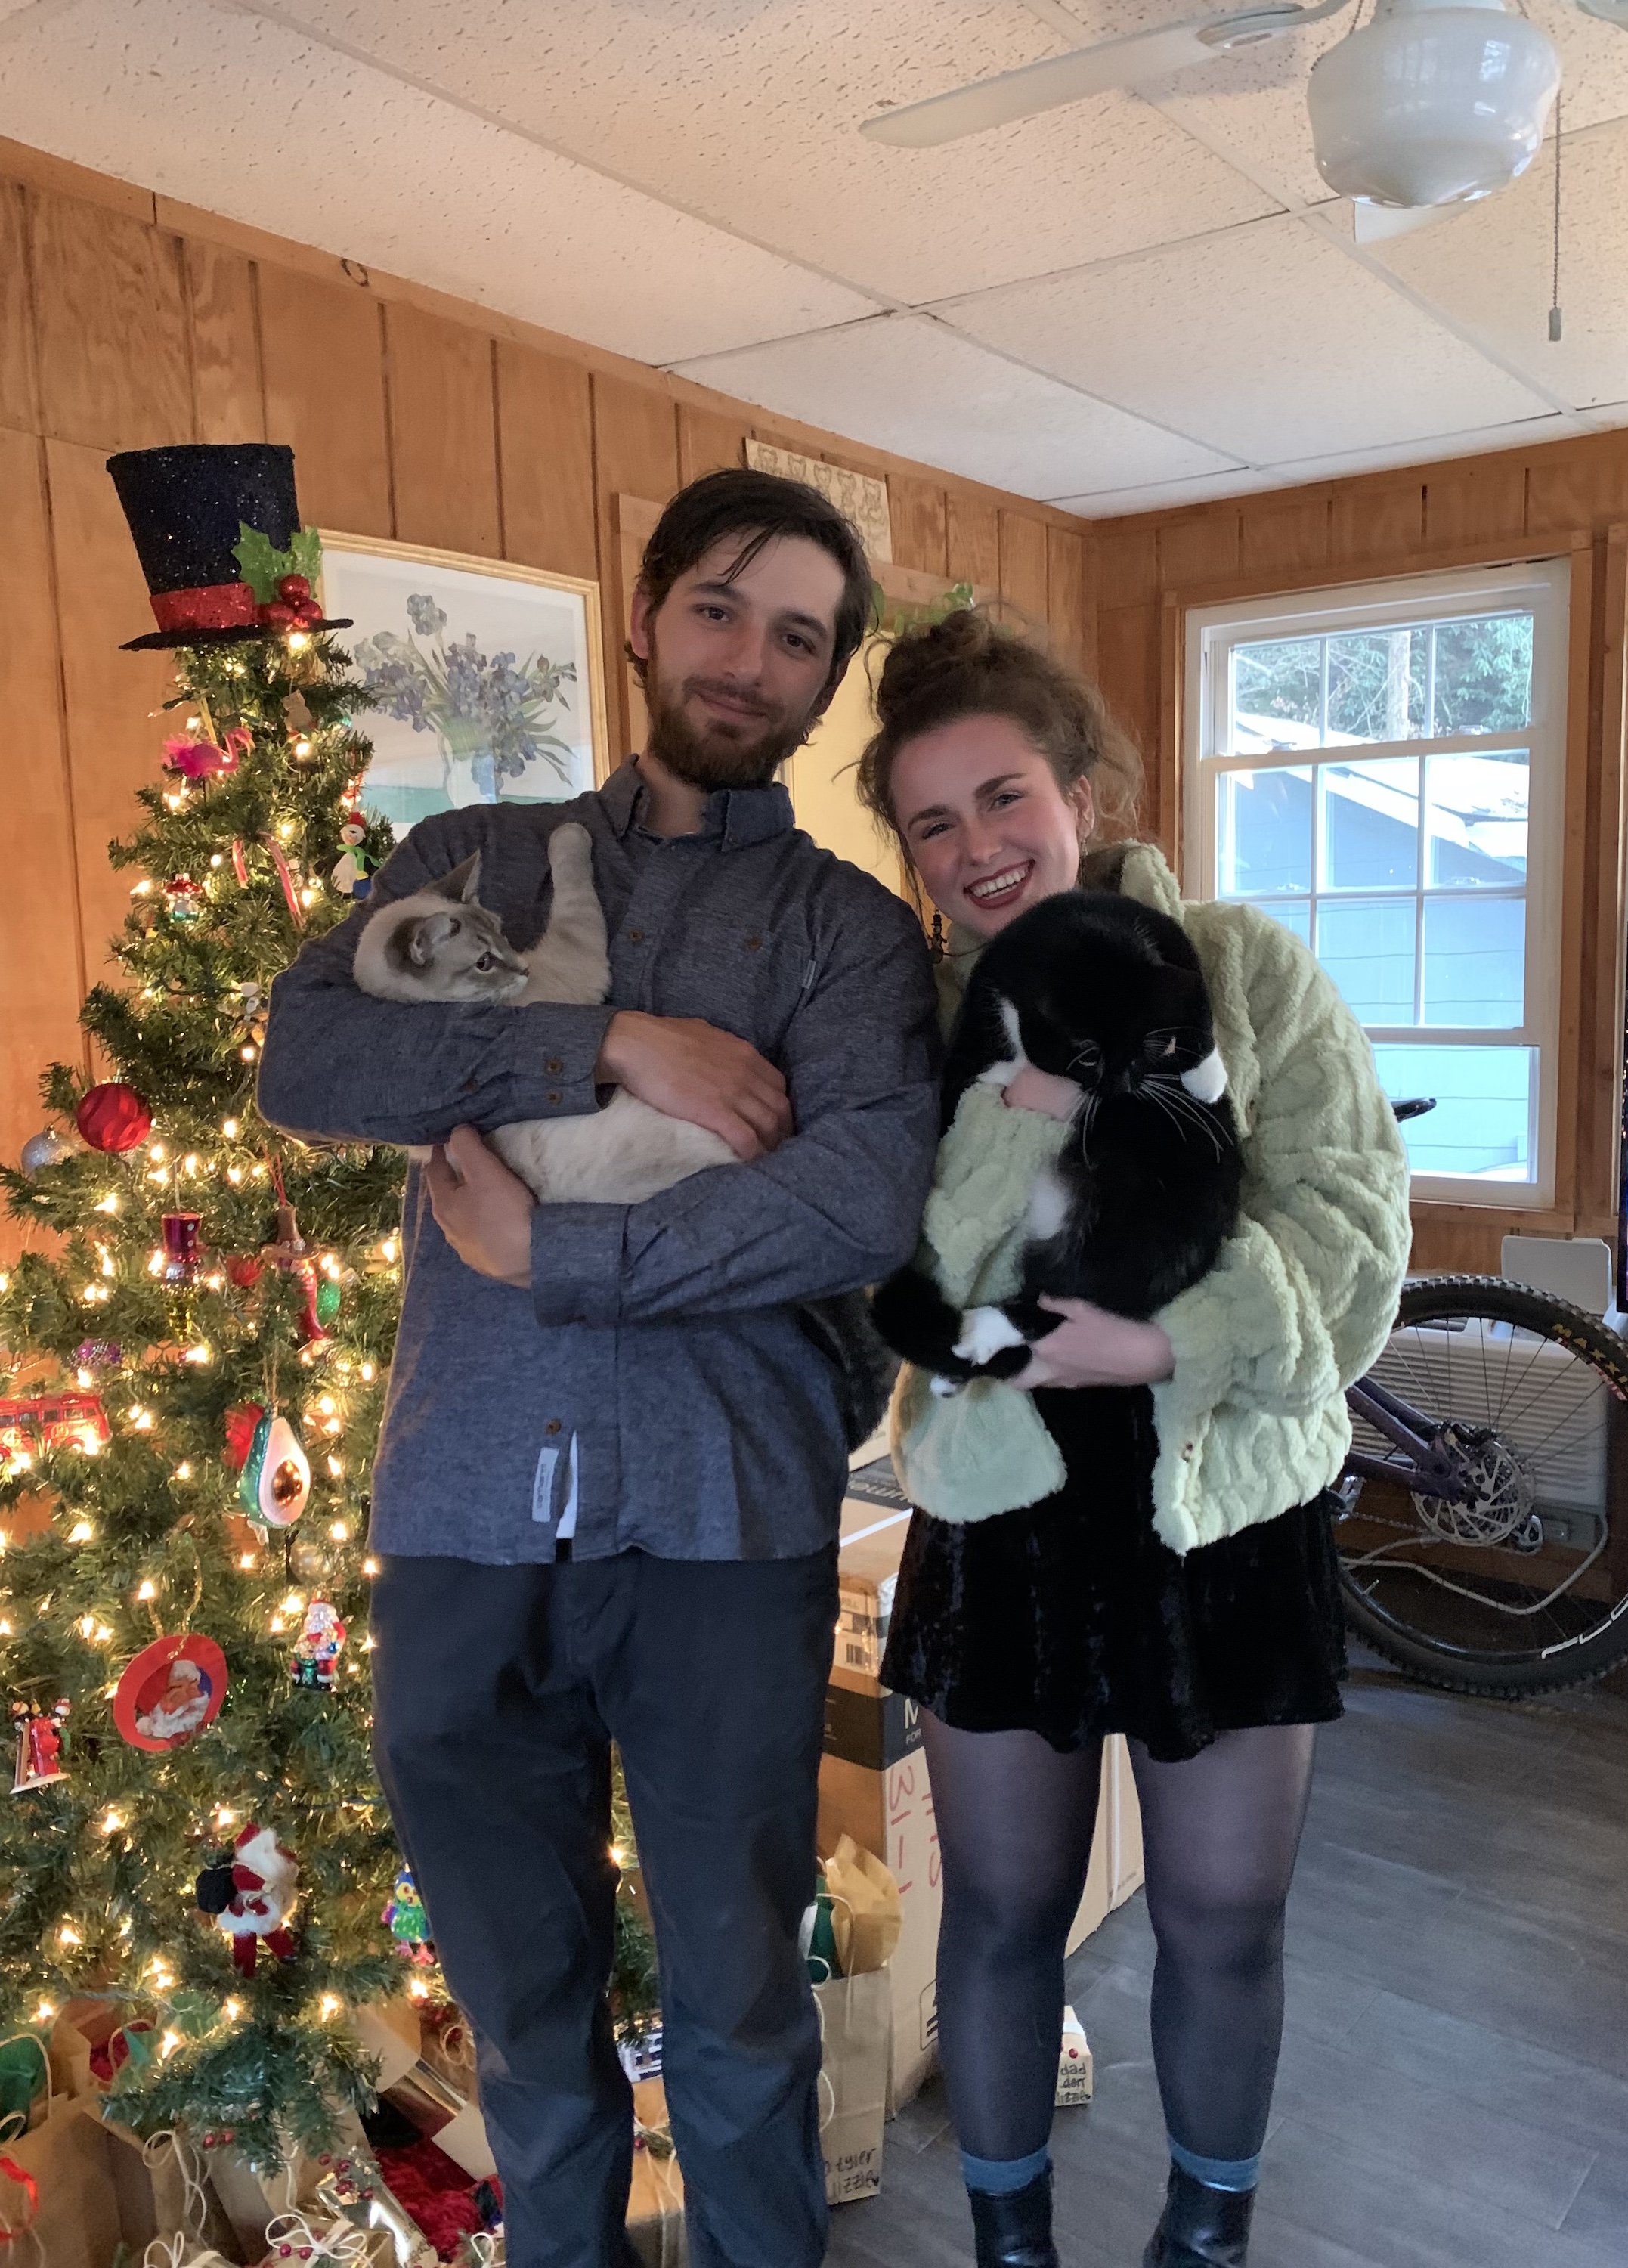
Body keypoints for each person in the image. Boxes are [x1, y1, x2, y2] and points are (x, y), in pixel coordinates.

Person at [258, 469, 939, 2268]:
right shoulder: (467, 865)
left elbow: (855, 1202)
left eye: (799, 637)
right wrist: (612, 1045)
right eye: (719, 608)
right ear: (642, 617)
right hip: (467, 1518)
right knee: (529, 2036)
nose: (748, 660)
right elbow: (311, 1060)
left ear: (825, 683)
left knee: (738, 2018)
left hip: (729, 1527)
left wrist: (554, 1251)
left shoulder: (851, 939)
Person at [855, 611, 1410, 2268]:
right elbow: (887, 1261)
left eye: (1002, 797)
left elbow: (1357, 1235)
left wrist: (1165, 1340)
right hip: (999, 1530)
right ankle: (1011, 2248)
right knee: (1009, 1919)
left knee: (1225, 1922)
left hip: (1227, 1527)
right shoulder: (911, 1020)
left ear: (1082, 789)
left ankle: (1206, 2241)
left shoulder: (1243, 969)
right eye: (932, 822)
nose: (976, 849)